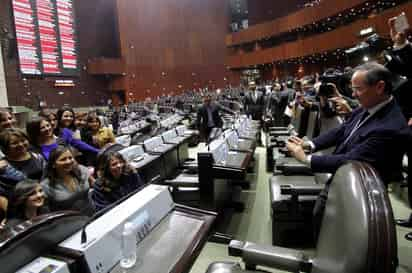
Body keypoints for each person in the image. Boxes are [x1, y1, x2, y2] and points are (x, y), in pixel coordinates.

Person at [287, 62, 411, 186]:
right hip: (342, 179)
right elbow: (341, 130)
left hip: (355, 189)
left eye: (358, 89)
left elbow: (351, 160)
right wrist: (309, 144)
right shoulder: (368, 106)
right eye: (352, 89)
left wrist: (306, 159)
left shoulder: (390, 128)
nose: (353, 95)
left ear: (379, 87)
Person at [41, 146, 94, 214]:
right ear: (53, 165)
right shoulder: (45, 186)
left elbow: (94, 184)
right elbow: (45, 211)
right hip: (67, 221)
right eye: (63, 159)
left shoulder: (81, 170)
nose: (68, 161)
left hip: (91, 213)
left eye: (70, 158)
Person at [26, 117, 99, 161]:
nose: (47, 129)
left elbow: (80, 144)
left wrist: (99, 151)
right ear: (34, 131)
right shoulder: (33, 149)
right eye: (42, 128)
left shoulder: (61, 139)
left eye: (48, 125)